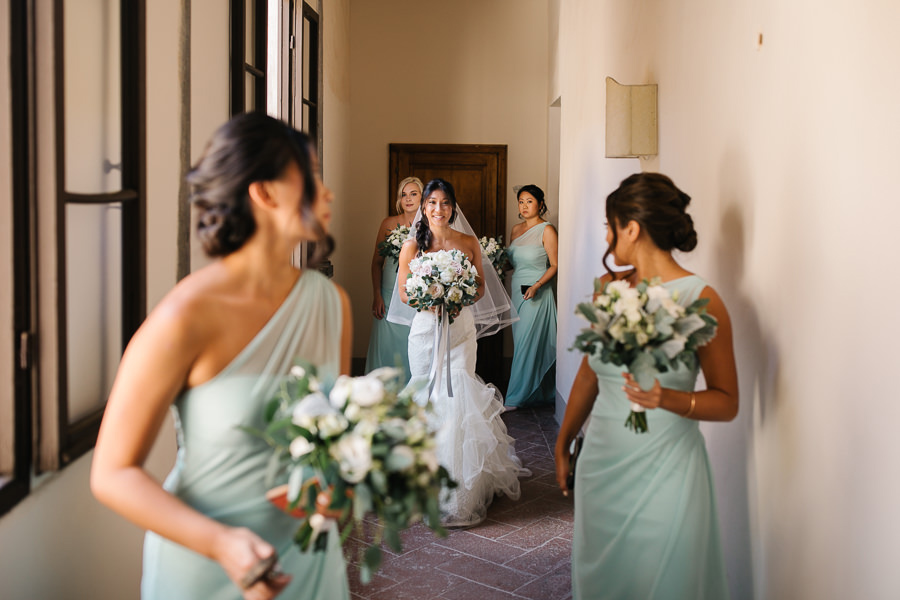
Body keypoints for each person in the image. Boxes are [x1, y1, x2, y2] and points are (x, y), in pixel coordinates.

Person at [91, 113, 352, 600]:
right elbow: (111, 473)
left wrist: (340, 485)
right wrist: (221, 544)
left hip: (307, 559)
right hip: (208, 565)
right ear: (265, 192)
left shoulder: (330, 304)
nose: (328, 192)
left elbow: (331, 438)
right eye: (312, 175)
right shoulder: (184, 316)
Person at [554, 173, 738, 599]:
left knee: (666, 579)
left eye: (609, 225)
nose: (607, 235)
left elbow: (727, 402)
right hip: (602, 464)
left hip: (667, 470)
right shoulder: (610, 290)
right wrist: (563, 443)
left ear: (631, 228)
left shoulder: (701, 298)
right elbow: (588, 374)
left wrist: (668, 398)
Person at [392, 178, 528, 528]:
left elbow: (481, 286)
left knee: (459, 393)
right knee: (426, 392)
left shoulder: (468, 242)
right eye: (433, 203)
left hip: (460, 330)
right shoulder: (412, 246)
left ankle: (459, 491)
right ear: (424, 207)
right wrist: (431, 297)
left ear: (453, 207)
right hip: (424, 332)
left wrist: (457, 295)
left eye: (446, 203)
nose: (439, 209)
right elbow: (405, 294)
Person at [505, 184, 558, 409]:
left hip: (536, 292)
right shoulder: (516, 230)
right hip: (516, 291)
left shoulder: (547, 230)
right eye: (521, 201)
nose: (524, 205)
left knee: (527, 342)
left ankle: (515, 397)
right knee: (522, 343)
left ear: (540, 204)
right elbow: (511, 262)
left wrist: (537, 285)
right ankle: (539, 392)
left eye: (529, 201)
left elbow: (555, 264)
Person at [364, 177, 423, 381]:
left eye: (413, 194)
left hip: (416, 296)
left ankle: (412, 396)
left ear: (422, 197)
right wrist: (377, 295)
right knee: (386, 346)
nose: (408, 199)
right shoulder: (388, 224)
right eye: (403, 195)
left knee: (414, 345)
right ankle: (381, 395)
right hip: (388, 295)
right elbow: (376, 263)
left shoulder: (430, 225)